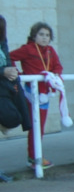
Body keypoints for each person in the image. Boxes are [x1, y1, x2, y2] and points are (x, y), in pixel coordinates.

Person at [9, 21, 64, 170]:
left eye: (47, 35)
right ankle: (34, 158)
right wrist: (16, 73)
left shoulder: (50, 51)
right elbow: (9, 57)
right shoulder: (27, 49)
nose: (44, 38)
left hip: (45, 93)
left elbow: (58, 66)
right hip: (31, 92)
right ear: (34, 36)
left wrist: (55, 75)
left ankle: (34, 157)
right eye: (41, 34)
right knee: (35, 127)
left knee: (40, 127)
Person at [0, 15, 31, 182]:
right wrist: (2, 71)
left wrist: (10, 71)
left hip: (4, 88)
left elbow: (6, 61)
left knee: (14, 117)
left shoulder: (2, 42)